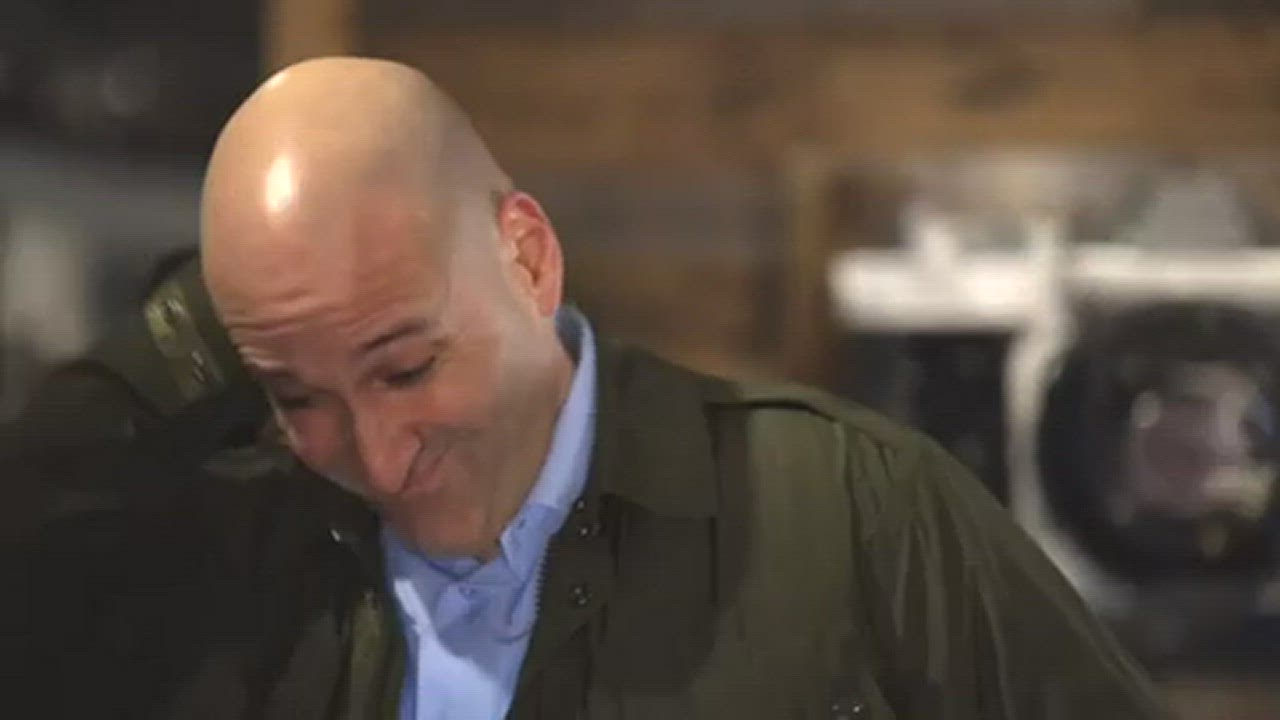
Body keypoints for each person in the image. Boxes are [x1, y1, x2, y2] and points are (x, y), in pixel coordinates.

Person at [5, 57, 1172, 719]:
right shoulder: (238, 554)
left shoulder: (854, 514)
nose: (378, 455)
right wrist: (228, 312)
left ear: (526, 259)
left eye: (406, 366)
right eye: (297, 397)